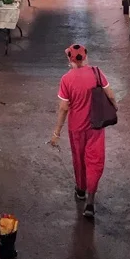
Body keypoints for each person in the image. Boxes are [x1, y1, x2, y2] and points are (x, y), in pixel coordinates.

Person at [49, 44, 117, 220]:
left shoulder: (66, 79)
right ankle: (90, 202)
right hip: (96, 126)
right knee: (94, 162)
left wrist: (56, 132)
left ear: (69, 59)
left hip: (76, 128)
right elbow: (110, 94)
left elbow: (64, 108)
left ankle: (80, 190)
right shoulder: (96, 72)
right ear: (85, 56)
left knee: (79, 160)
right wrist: (115, 108)